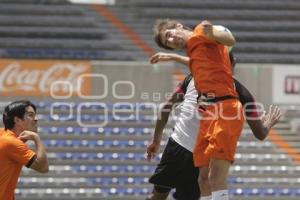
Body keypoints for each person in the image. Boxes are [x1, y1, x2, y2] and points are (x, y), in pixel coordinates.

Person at [146, 52, 281, 200]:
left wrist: (156, 141)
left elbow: (166, 108)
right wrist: (268, 123)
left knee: (157, 195)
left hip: (177, 147)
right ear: (232, 64)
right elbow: (260, 134)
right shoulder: (242, 93)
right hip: (202, 158)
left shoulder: (192, 78)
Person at [153, 18, 245, 200]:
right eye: (167, 43)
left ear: (179, 26)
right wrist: (171, 57)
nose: (171, 40)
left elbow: (229, 39)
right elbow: (197, 62)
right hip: (209, 114)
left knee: (216, 177)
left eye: (169, 35)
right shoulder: (195, 51)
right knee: (203, 179)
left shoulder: (202, 30)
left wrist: (214, 33)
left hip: (225, 109)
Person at [0, 100, 49, 200]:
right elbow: (43, 168)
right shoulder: (11, 143)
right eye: (30, 115)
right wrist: (36, 139)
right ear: (17, 120)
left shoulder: (3, 135)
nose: (36, 119)